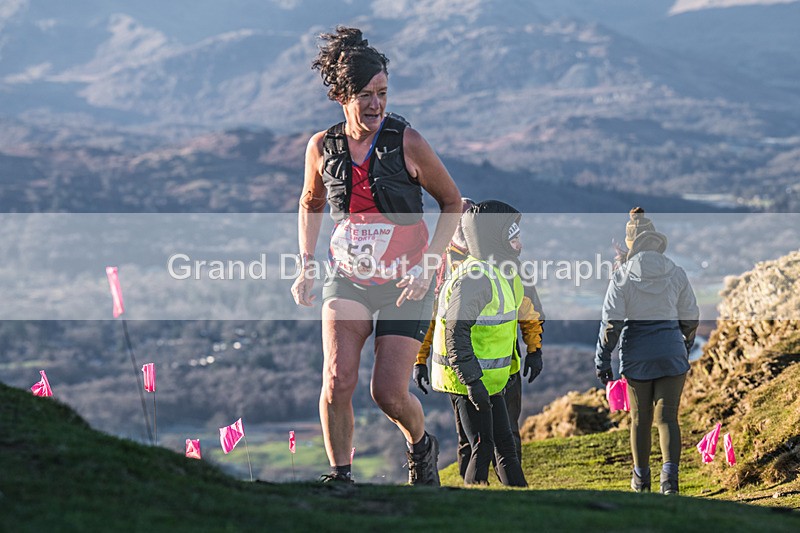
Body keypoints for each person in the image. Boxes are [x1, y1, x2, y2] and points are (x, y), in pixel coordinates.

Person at [291, 26, 462, 485]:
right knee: (336, 379)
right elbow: (311, 203)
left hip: (407, 282)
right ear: (342, 95)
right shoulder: (321, 147)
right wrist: (306, 263)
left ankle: (420, 445)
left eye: (382, 93)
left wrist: (431, 262)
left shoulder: (407, 142)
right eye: (365, 95)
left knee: (387, 392)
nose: (376, 105)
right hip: (346, 278)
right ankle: (340, 476)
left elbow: (453, 202)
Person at [414, 200, 544, 478]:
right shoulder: (445, 267)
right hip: (467, 370)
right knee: (474, 441)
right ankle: (473, 492)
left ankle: (502, 495)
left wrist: (534, 348)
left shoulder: (506, 262)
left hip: (503, 368)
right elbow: (435, 320)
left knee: (504, 437)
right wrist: (420, 358)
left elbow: (528, 308)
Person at [595, 207, 699, 495]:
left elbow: (610, 324)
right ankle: (670, 481)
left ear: (632, 245)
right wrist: (684, 344)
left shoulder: (622, 276)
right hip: (671, 355)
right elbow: (690, 317)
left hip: (637, 357)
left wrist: (603, 359)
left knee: (640, 420)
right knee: (668, 418)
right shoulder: (676, 272)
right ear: (655, 241)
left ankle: (641, 480)